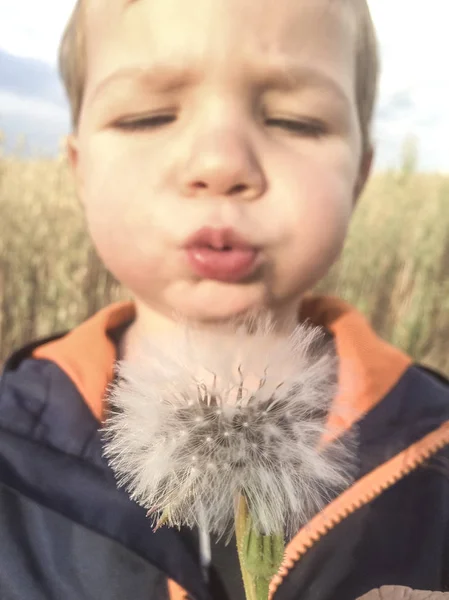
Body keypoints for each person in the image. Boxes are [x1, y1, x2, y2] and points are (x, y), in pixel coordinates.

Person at [1, 0, 449, 599]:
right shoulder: (13, 450)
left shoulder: (436, 458)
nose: (220, 164)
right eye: (149, 116)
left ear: (361, 177)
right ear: (78, 170)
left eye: (296, 121)